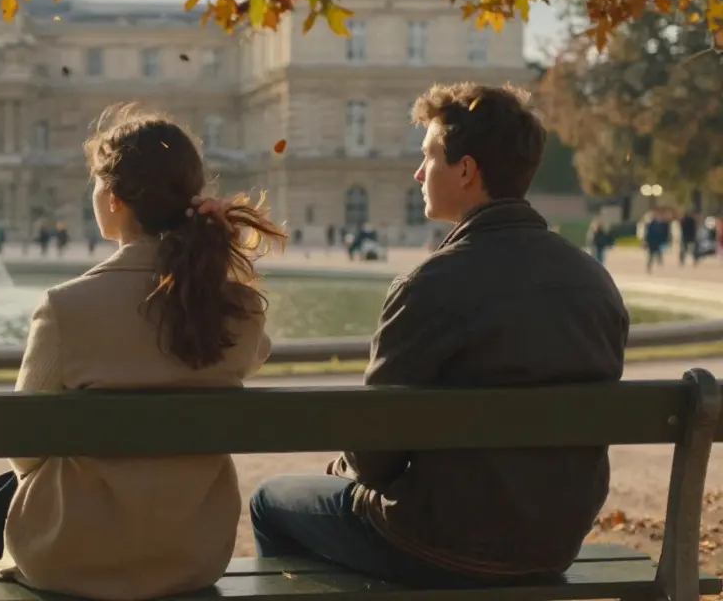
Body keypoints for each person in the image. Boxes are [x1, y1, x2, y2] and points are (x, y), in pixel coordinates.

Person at [251, 83, 627, 588]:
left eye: (428, 156)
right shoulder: (594, 281)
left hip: (438, 543)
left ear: (466, 170)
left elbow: (374, 457)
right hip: (553, 544)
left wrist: (342, 468)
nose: (418, 172)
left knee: (270, 501)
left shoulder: (429, 284)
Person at [0, 103, 286, 600]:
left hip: (71, 557)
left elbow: (24, 446)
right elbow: (254, 353)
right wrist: (218, 259)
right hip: (191, 556)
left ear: (113, 197)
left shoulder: (65, 307)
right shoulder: (236, 309)